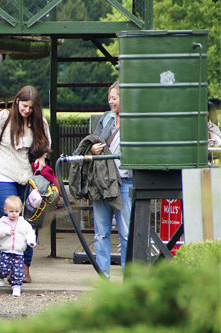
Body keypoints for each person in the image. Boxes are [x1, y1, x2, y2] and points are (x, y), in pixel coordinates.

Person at [0, 85, 51, 283]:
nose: (27, 110)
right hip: (5, 172)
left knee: (30, 219)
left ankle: (24, 266)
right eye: (24, 106)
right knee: (11, 217)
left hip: (29, 176)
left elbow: (45, 146)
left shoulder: (40, 122)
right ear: (17, 102)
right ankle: (8, 264)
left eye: (31, 107)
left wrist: (42, 159)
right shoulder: (4, 117)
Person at [90, 81, 133, 278]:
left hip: (125, 181)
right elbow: (93, 140)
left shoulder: (134, 120)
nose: (110, 101)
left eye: (114, 97)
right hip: (103, 182)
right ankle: (103, 278)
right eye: (110, 97)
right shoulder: (106, 119)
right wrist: (92, 149)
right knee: (101, 233)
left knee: (126, 233)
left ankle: (129, 277)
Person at [0, 196, 36, 297]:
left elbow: (30, 233)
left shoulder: (23, 223)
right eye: (11, 211)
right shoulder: (2, 222)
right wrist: (6, 232)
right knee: (3, 268)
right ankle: (0, 276)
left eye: (16, 211)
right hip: (5, 250)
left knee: (18, 270)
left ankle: (16, 286)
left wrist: (31, 241)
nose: (14, 214)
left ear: (20, 211)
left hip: (18, 252)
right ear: (6, 210)